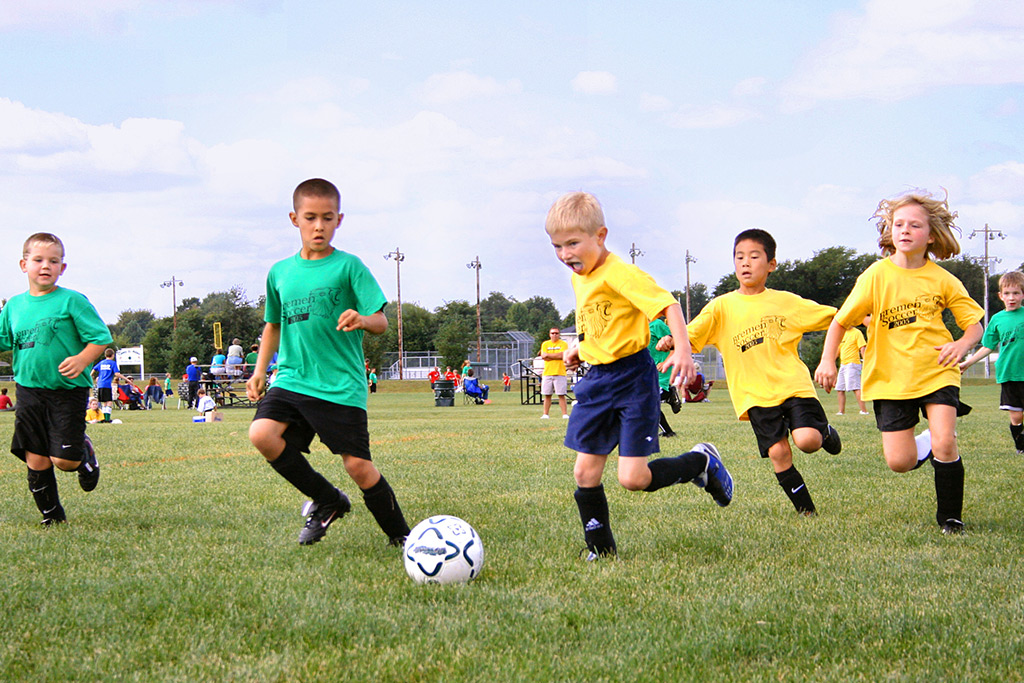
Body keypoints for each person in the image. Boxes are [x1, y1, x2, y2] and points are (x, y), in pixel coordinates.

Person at [545, 191, 733, 560]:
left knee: (633, 479)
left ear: (600, 236)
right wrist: (578, 349)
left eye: (573, 243)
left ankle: (701, 463)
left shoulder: (620, 273)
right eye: (556, 246)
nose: (565, 254)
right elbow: (601, 325)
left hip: (632, 380)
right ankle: (601, 550)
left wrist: (683, 350)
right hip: (597, 382)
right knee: (585, 473)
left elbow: (668, 305)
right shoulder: (579, 278)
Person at [246, 178, 410, 547]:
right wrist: (260, 371)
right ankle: (328, 499)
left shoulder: (349, 267)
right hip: (292, 377)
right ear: (294, 219)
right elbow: (273, 325)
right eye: (310, 217)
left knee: (357, 466)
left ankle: (401, 536)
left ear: (339, 220)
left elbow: (381, 322)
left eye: (327, 218)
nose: (318, 226)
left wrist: (362, 319)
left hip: (339, 383)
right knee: (262, 434)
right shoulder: (279, 272)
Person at [815, 190, 983, 534]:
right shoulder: (876, 276)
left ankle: (951, 518)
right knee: (899, 462)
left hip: (937, 371)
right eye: (898, 224)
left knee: (946, 442)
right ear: (889, 231)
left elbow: (974, 325)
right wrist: (827, 361)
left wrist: (962, 343)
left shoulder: (943, 279)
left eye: (915, 225)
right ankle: (927, 442)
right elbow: (840, 322)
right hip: (890, 379)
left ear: (931, 235)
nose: (905, 230)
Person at [685, 228, 842, 517]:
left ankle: (825, 432)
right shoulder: (721, 307)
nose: (745, 262)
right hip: (754, 394)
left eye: (754, 256)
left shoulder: (786, 302)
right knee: (778, 453)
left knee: (807, 441)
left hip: (793, 385)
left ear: (771, 264)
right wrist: (673, 340)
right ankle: (807, 512)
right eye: (739, 257)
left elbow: (836, 317)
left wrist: (867, 316)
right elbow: (690, 334)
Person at [0, 233, 109, 526]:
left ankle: (83, 450)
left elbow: (100, 339)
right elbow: (2, 340)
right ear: (24, 265)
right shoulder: (13, 306)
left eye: (53, 260)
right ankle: (52, 517)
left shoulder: (72, 300)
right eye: (38, 260)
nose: (45, 266)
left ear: (62, 267)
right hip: (28, 390)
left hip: (67, 391)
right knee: (36, 457)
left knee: (65, 462)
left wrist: (82, 359)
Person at [959, 271, 1024, 453]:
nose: (1012, 298)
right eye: (1007, 293)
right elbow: (987, 346)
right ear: (1000, 295)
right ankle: (1020, 445)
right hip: (1009, 373)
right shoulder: (997, 320)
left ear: (1023, 294)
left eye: (1016, 293)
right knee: (1017, 416)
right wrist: (968, 363)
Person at [648, 315, 680, 437]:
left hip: (661, 370)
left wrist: (666, 361)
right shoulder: (638, 328)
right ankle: (668, 395)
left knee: (649, 402)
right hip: (648, 372)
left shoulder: (657, 324)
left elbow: (675, 343)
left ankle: (668, 432)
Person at [835, 321, 869, 415]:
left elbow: (862, 348)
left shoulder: (856, 332)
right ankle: (841, 411)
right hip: (843, 364)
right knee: (840, 388)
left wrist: (865, 361)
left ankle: (864, 411)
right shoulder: (842, 334)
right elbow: (838, 350)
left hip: (853, 364)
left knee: (855, 387)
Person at [540, 328, 570, 419]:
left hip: (560, 372)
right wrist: (556, 356)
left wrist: (549, 355)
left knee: (561, 394)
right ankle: (545, 414)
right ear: (549, 334)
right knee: (547, 394)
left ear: (559, 334)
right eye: (552, 333)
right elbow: (543, 356)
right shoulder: (545, 344)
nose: (554, 335)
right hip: (547, 373)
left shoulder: (563, 344)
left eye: (556, 333)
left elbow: (562, 355)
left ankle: (564, 414)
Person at [92, 347, 125, 423]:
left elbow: (94, 369)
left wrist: (91, 376)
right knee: (109, 401)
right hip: (107, 385)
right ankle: (107, 419)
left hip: (100, 384)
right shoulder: (113, 363)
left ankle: (103, 418)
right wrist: (125, 379)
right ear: (113, 355)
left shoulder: (102, 362)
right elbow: (117, 373)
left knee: (104, 402)